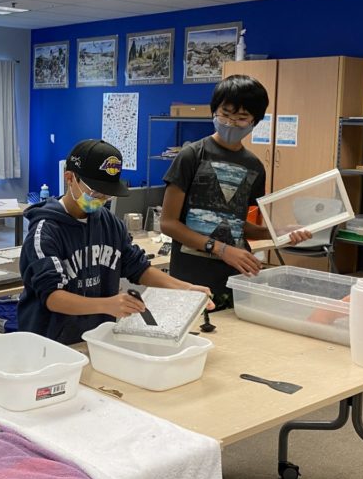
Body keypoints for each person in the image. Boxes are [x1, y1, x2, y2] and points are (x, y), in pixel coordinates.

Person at [18, 139, 212, 346]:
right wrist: (108, 305)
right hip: (49, 342)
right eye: (94, 192)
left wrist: (184, 288)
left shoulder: (109, 223)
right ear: (69, 178)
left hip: (95, 337)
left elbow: (138, 267)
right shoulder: (45, 231)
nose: (101, 199)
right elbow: (52, 297)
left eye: (107, 194)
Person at [160, 75, 309, 310]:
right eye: (225, 114)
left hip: (235, 276)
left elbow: (237, 224)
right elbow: (168, 223)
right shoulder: (191, 156)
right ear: (214, 111)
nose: (231, 123)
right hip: (191, 274)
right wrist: (221, 249)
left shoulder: (255, 167)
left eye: (241, 118)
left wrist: (276, 232)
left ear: (254, 121)